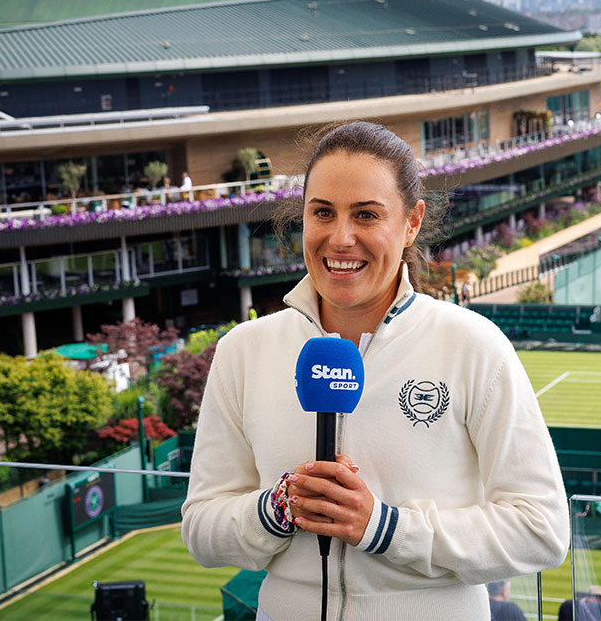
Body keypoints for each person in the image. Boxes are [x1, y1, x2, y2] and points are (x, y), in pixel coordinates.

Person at [182, 122, 569, 619]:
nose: (341, 238)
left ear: (411, 222)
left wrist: (386, 528)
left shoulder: (473, 345)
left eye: (366, 214)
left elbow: (542, 532)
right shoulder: (243, 350)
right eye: (322, 212)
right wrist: (277, 509)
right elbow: (201, 532)